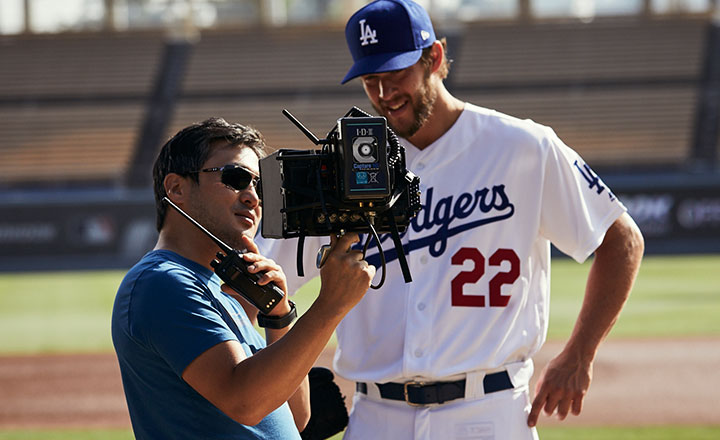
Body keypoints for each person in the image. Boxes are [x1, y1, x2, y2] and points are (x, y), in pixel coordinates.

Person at [256, 1, 645, 439]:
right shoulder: (340, 168)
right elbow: (260, 278)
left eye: (396, 74)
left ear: (435, 59)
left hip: (490, 411)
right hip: (376, 417)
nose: (384, 94)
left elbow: (621, 239)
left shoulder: (524, 147)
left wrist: (580, 353)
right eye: (371, 80)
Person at [111, 117, 375, 439]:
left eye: (259, 186)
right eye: (235, 178)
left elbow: (297, 415)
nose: (253, 197)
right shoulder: (162, 282)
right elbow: (246, 403)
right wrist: (331, 305)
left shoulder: (221, 284)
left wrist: (279, 317)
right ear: (177, 188)